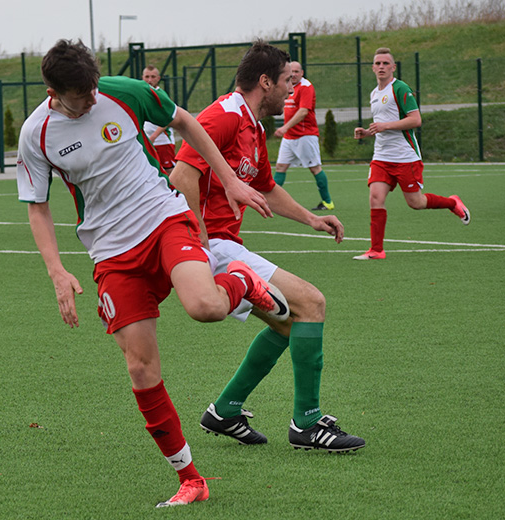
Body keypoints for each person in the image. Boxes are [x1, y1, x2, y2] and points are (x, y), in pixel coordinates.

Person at [17, 39, 289, 508]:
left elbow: (184, 121)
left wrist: (228, 179)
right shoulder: (36, 133)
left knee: (205, 307)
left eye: (93, 89)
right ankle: (190, 480)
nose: (90, 101)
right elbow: (38, 207)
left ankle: (242, 280)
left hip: (163, 217)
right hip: (110, 251)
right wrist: (57, 271)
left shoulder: (121, 92)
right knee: (140, 366)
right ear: (53, 90)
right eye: (79, 97)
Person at [170, 40, 366, 454]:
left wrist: (311, 218)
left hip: (225, 243)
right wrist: (198, 239)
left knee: (287, 323)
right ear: (265, 82)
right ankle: (307, 426)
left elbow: (264, 186)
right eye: (285, 83)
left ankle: (225, 410)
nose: (290, 91)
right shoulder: (223, 115)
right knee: (311, 304)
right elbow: (182, 175)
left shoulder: (253, 126)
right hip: (215, 247)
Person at [353, 47, 470, 260]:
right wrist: (366, 132)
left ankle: (452, 203)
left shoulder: (400, 88)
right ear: (372, 67)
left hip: (405, 157)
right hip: (381, 158)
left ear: (393, 67)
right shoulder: (374, 93)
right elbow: (382, 126)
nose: (381, 67)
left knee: (416, 203)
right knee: (375, 198)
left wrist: (385, 126)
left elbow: (416, 120)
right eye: (377, 63)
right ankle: (377, 250)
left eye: (385, 63)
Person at [273, 61, 334, 211]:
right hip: (289, 137)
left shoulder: (306, 87)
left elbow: (303, 112)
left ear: (302, 73)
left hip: (305, 136)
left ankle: (327, 202)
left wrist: (284, 127)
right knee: (280, 167)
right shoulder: (287, 86)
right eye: (291, 71)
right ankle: (269, 201)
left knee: (315, 168)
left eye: (296, 71)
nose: (293, 74)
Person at [141, 65, 178, 173]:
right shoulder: (143, 94)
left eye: (153, 77)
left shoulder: (160, 95)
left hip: (162, 141)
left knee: (169, 170)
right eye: (147, 77)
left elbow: (168, 118)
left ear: (158, 78)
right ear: (142, 77)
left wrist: (154, 136)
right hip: (149, 140)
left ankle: (177, 189)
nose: (149, 80)